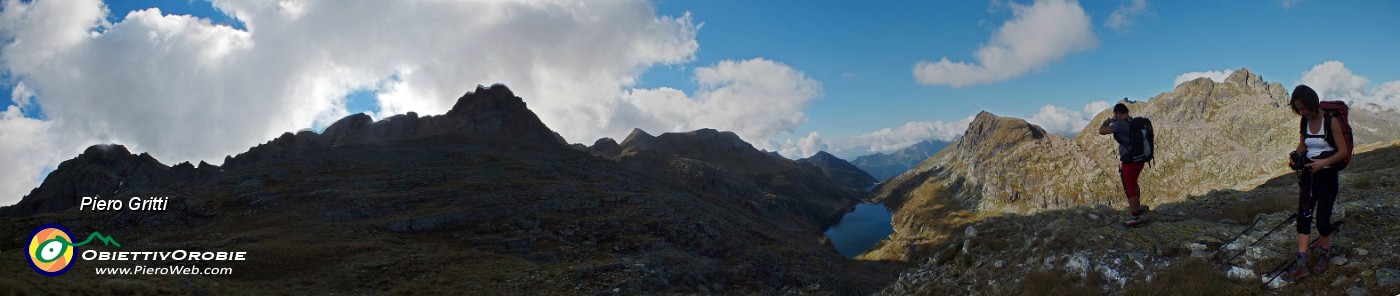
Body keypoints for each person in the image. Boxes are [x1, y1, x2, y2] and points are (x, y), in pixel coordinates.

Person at [1280, 84, 1350, 282]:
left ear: (1312, 103)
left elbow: (1343, 151)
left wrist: (1324, 163)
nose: (1301, 112)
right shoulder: (1304, 121)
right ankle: (1301, 262)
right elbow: (1304, 145)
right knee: (1303, 217)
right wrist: (1296, 156)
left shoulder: (1331, 122)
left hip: (1328, 177)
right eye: (1298, 109)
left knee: (1322, 219)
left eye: (1303, 108)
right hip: (1309, 176)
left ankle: (1324, 253)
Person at [1098, 103, 1148, 227]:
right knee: (1134, 183)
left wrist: (1107, 122)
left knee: (1129, 188)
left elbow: (1102, 131)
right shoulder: (1133, 121)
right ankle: (1138, 208)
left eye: (1116, 114)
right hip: (1140, 160)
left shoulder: (1119, 125)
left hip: (1129, 162)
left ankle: (1135, 216)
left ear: (1118, 113)